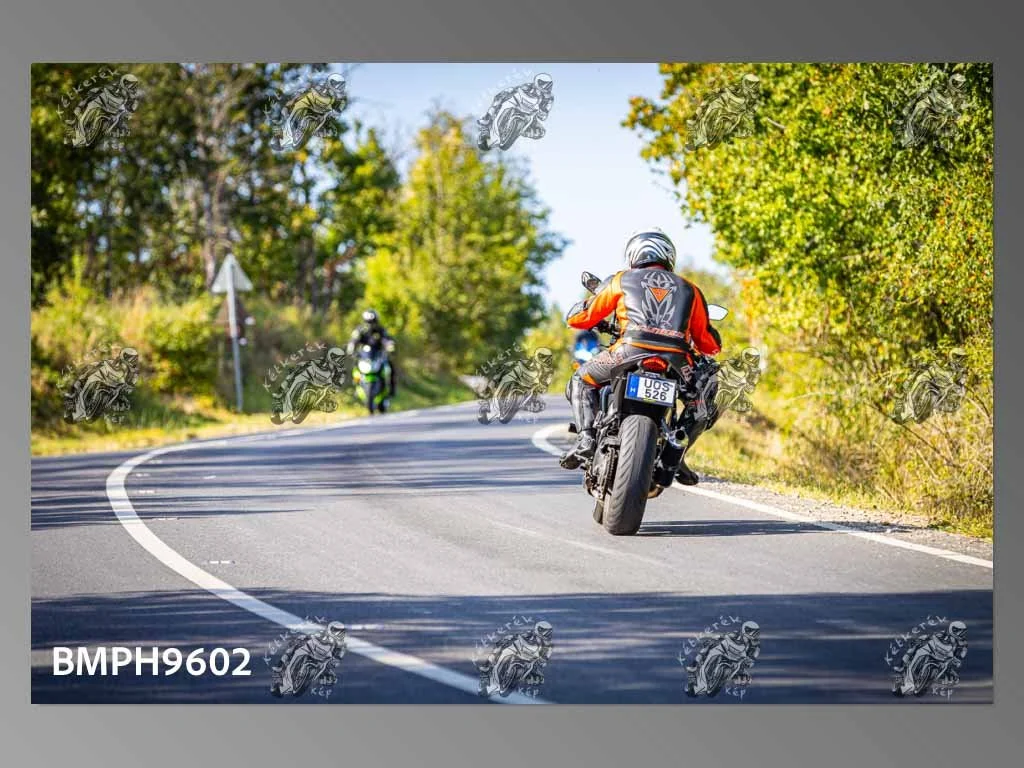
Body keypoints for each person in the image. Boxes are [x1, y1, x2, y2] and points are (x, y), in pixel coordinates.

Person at [559, 229, 722, 486]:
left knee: (581, 380)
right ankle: (675, 454)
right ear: (669, 256)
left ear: (633, 254)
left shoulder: (622, 280)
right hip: (677, 362)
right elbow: (708, 344)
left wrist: (578, 310)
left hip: (627, 352)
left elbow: (582, 318)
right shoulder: (691, 290)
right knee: (699, 402)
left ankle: (586, 438)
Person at [347, 309, 396, 398]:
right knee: (355, 366)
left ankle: (391, 390)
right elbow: (353, 340)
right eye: (368, 321)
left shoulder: (381, 330)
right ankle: (356, 386)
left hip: (378, 356)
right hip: (364, 356)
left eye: (372, 322)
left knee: (390, 367)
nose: (370, 324)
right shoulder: (360, 330)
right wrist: (351, 349)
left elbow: (387, 339)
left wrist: (390, 347)